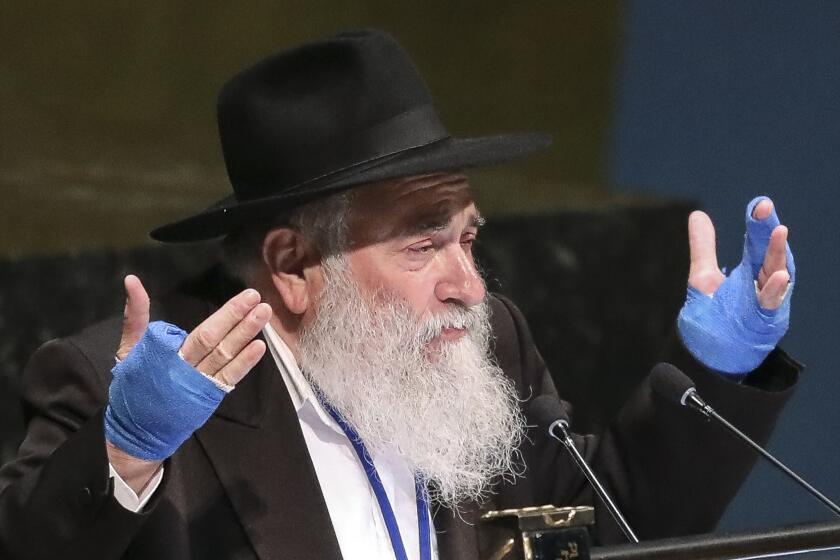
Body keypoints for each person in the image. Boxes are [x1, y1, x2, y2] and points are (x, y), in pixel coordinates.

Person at [0, 29, 799, 560]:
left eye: (469, 238)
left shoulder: (482, 343)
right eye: (423, 245)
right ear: (292, 262)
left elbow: (616, 521)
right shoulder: (127, 386)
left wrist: (715, 372)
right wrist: (126, 452)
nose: (469, 287)